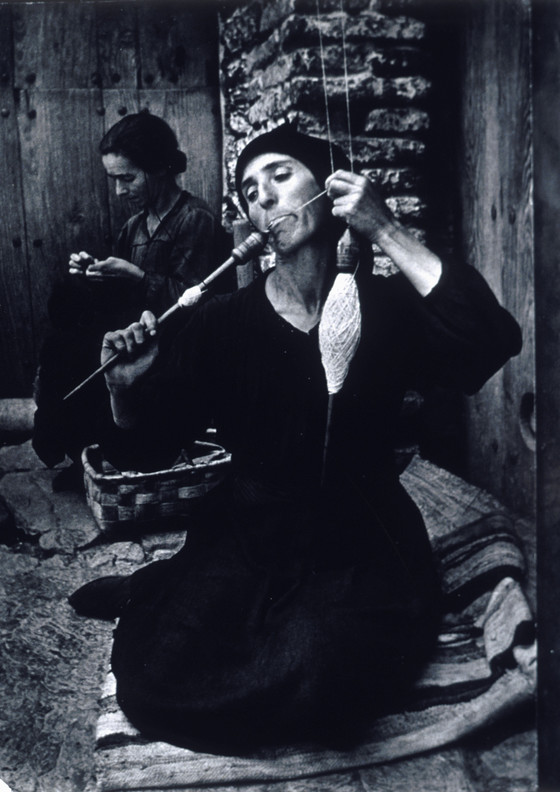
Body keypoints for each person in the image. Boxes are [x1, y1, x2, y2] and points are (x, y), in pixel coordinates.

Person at [69, 125, 522, 753]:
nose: (264, 198)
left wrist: (386, 229)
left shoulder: (385, 307)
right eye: (250, 191)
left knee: (318, 666)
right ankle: (160, 588)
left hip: (363, 534)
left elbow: (489, 341)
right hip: (247, 531)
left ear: (330, 190)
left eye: (281, 176)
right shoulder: (220, 323)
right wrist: (124, 389)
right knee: (159, 677)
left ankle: (195, 599)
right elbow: (147, 451)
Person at [33, 112, 221, 490]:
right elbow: (119, 300)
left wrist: (136, 277)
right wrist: (95, 272)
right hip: (133, 336)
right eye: (115, 180)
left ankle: (111, 455)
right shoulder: (134, 226)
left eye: (127, 178)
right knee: (62, 346)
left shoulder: (194, 219)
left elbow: (199, 302)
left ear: (160, 167)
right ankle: (82, 453)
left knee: (94, 361)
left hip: (174, 346)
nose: (120, 191)